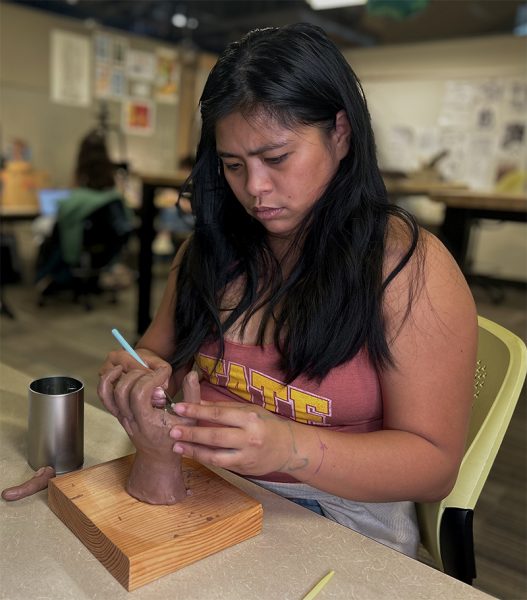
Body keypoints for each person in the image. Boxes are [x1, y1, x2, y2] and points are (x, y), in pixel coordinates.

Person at [98, 23, 477, 557]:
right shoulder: (210, 251)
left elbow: (434, 468)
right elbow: (156, 354)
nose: (254, 188)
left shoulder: (404, 267)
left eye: (276, 158)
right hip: (204, 487)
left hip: (337, 515)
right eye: (233, 165)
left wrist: (290, 446)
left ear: (340, 133)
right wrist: (140, 376)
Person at [35, 129, 133, 294]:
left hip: (81, 243)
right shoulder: (113, 196)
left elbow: (64, 216)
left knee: (47, 230)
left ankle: (48, 276)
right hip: (104, 248)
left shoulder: (76, 199)